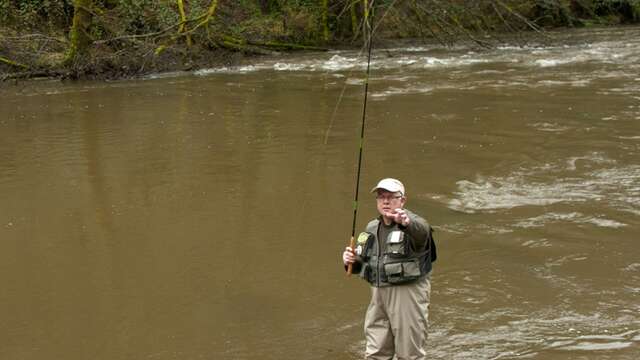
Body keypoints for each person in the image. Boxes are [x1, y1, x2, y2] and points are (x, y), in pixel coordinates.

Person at [342, 178, 437, 360]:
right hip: (378, 296)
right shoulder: (371, 227)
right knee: (375, 351)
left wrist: (406, 223)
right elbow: (364, 266)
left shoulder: (415, 223)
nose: (385, 201)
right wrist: (350, 261)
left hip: (407, 294)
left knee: (409, 353)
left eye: (392, 197)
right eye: (381, 197)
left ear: (402, 200)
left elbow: (421, 234)